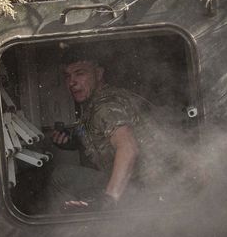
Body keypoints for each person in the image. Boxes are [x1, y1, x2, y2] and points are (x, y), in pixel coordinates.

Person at [49, 48, 156, 211]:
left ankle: (68, 231)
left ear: (98, 74)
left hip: (142, 188)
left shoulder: (105, 107)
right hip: (139, 182)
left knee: (60, 176)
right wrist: (72, 142)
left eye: (80, 73)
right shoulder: (96, 102)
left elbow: (128, 148)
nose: (72, 82)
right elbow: (101, 136)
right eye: (67, 76)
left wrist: (109, 199)